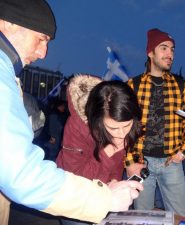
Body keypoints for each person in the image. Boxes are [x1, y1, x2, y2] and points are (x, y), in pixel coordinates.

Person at [0, 0, 143, 224]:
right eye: (41, 39)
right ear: (9, 23)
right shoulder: (78, 126)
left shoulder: (7, 72)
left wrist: (131, 162)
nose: (43, 52)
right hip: (83, 203)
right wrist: (104, 191)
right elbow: (21, 174)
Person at [126, 28, 185, 216]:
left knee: (178, 215)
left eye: (172, 49)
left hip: (171, 162)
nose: (170, 54)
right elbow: (124, 127)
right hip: (141, 162)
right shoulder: (134, 85)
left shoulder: (181, 84)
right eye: (164, 48)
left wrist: (184, 151)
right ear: (150, 53)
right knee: (142, 216)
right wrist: (129, 162)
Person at [56, 77, 142, 225]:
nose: (122, 134)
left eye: (127, 125)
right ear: (98, 119)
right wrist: (109, 151)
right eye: (113, 128)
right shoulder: (76, 126)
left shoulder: (126, 123)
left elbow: (116, 166)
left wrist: (114, 182)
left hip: (106, 194)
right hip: (75, 195)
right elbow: (75, 177)